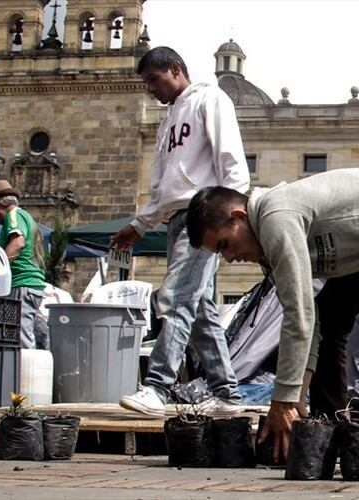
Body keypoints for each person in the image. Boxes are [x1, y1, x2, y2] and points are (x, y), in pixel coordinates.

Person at [185, 168, 359, 461]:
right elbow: (311, 320)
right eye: (219, 254)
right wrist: (295, 400)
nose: (229, 258)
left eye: (224, 245)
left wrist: (281, 402)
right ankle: (328, 425)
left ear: (240, 217)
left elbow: (299, 316)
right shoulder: (266, 247)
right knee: (331, 318)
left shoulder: (275, 216)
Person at [110, 46, 249, 416]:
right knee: (200, 310)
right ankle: (227, 394)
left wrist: (230, 216)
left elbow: (231, 161)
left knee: (175, 298)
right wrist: (140, 225)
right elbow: (161, 186)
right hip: (175, 219)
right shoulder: (167, 121)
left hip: (201, 215)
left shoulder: (209, 99)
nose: (151, 90)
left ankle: (158, 385)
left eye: (154, 80)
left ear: (174, 69)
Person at [0, 180, 48, 350]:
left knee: (20, 335)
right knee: (24, 330)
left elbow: (17, 243)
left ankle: (24, 373)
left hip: (22, 283)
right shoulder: (25, 217)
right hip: (28, 284)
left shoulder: (14, 215)